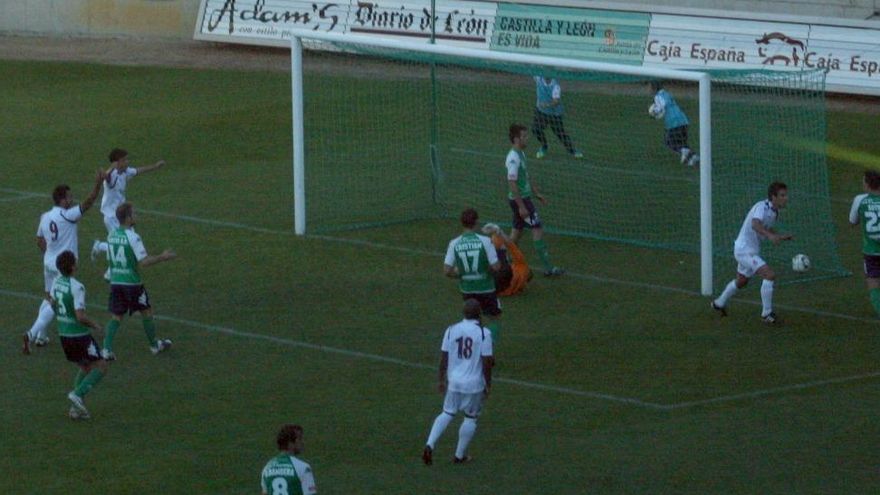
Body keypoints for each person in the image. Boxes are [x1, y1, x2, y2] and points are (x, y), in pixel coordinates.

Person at [23, 172, 104, 354]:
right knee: (54, 303)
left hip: (49, 263)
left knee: (48, 298)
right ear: (62, 199)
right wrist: (98, 185)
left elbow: (39, 239)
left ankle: (41, 336)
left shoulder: (45, 217)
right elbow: (88, 203)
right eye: (69, 196)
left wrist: (49, 254)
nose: (72, 198)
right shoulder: (67, 215)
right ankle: (31, 333)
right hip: (63, 266)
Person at [422, 298, 494, 466]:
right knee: (470, 417)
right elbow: (487, 362)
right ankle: (459, 455)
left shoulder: (451, 330)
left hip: (454, 381)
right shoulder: (484, 334)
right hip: (474, 384)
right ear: (480, 314)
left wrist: (441, 379)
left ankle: (430, 443)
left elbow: (444, 357)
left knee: (447, 412)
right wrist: (488, 384)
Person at [101, 202, 176, 360]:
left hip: (116, 282)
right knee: (146, 311)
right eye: (133, 213)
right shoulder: (133, 237)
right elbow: (144, 261)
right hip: (132, 283)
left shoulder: (111, 235)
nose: (136, 215)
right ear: (127, 218)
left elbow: (110, 260)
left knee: (116, 316)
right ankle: (154, 346)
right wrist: (163, 257)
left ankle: (106, 350)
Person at [712, 182, 792, 324]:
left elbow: (765, 228)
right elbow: (755, 224)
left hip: (751, 250)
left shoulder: (774, 213)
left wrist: (779, 236)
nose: (786, 198)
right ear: (773, 197)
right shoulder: (762, 206)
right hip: (744, 250)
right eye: (782, 195)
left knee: (741, 281)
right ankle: (766, 314)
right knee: (769, 275)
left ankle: (719, 303)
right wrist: (770, 236)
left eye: (786, 195)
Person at [51, 250, 109, 420]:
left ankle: (75, 410)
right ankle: (77, 394)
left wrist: (62, 319)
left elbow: (53, 304)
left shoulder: (56, 282)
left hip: (64, 335)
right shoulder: (77, 287)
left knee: (85, 367)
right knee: (102, 366)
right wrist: (96, 326)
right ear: (73, 266)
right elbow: (80, 316)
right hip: (79, 336)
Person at [506, 123, 565, 277]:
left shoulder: (521, 154)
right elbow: (511, 182)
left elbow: (526, 176)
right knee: (537, 228)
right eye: (524, 136)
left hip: (522, 200)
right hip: (522, 202)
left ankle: (501, 260)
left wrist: (537, 193)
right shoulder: (513, 158)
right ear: (516, 139)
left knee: (516, 233)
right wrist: (521, 206)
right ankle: (548, 268)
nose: (527, 139)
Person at [90, 148, 166, 263]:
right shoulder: (112, 177)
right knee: (121, 244)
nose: (127, 162)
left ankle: (101, 247)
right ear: (117, 163)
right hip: (111, 216)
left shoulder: (126, 171)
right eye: (124, 160)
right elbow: (106, 177)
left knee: (129, 241)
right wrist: (109, 170)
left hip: (122, 214)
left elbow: (138, 170)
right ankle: (100, 247)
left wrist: (155, 166)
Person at [444, 208, 502, 341]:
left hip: (467, 289)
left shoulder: (454, 243)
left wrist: (460, 273)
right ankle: (488, 349)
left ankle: (474, 345)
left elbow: (447, 270)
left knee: (473, 319)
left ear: (461, 223)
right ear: (476, 223)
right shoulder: (485, 241)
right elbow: (496, 267)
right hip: (486, 287)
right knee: (493, 318)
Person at [848, 170, 880, 317]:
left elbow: (852, 221)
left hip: (871, 252)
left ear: (867, 184)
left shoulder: (860, 200)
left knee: (873, 285)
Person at [650, 80, 699, 167]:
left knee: (669, 142)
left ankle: (686, 153)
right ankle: (693, 159)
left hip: (674, 122)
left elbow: (662, 106)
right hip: (683, 120)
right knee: (683, 142)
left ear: (654, 88)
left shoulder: (658, 96)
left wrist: (654, 111)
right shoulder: (666, 93)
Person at [532, 76, 583, 159]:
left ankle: (572, 151)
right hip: (541, 111)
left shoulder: (555, 85)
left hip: (554, 114)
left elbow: (556, 101)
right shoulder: (538, 78)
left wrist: (546, 105)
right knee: (535, 129)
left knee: (560, 134)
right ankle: (544, 146)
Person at [260, 424, 318, 495]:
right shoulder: (303, 468)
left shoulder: (267, 467)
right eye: (299, 439)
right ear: (290, 443)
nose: (302, 442)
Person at [481, 222, 533, 296]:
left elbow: (511, 245)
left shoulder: (521, 265)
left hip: (499, 278)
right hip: (498, 289)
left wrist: (499, 231)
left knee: (499, 249)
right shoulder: (520, 283)